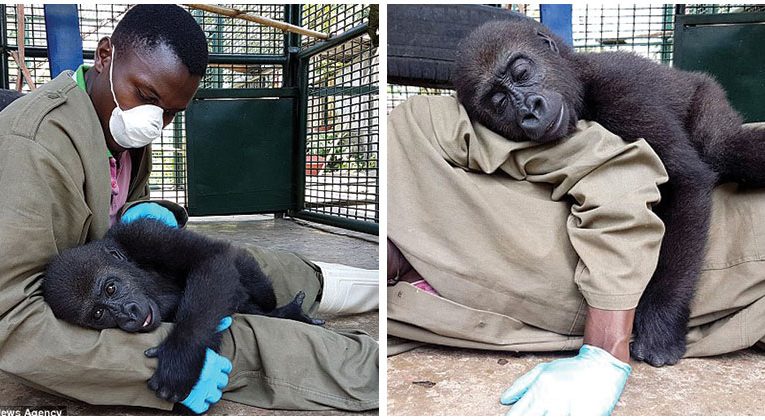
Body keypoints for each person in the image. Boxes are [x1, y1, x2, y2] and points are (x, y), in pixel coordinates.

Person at [0, 5, 378, 414]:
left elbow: (119, 207)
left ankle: (379, 287)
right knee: (258, 346)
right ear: (105, 55)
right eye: (146, 97)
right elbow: (11, 324)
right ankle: (374, 369)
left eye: (171, 113)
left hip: (118, 267)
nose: (154, 122)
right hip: (83, 312)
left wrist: (147, 213)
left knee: (259, 267)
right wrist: (154, 367)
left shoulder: (114, 118)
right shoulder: (31, 146)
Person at [387, 94, 765, 415]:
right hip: (736, 316)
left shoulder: (415, 132)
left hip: (736, 217)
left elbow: (618, 168)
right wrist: (334, 287)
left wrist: (604, 353)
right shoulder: (384, 302)